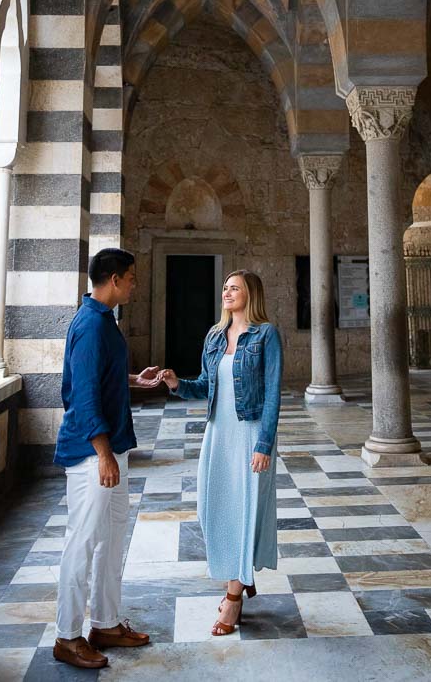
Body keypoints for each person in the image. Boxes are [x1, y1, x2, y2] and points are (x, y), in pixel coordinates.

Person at [53, 247, 162, 669]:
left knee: (112, 539)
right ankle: (67, 636)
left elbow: (102, 378)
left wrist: (136, 379)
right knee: (82, 541)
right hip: (90, 453)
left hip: (112, 446)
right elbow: (82, 394)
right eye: (132, 277)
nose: (135, 283)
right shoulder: (91, 325)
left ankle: (105, 622)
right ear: (114, 279)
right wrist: (102, 452)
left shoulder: (104, 322)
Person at [159, 269, 283, 636]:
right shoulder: (214, 336)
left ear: (251, 295)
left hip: (249, 432)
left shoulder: (266, 335)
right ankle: (241, 577)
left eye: (235, 288)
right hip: (218, 432)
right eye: (225, 288)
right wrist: (176, 384)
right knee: (212, 508)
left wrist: (264, 444)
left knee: (244, 510)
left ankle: (232, 598)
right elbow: (204, 387)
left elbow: (274, 393)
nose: (227, 293)